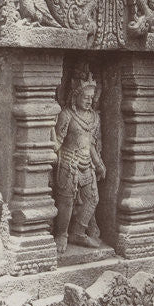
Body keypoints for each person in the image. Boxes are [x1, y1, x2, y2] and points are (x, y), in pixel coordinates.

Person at [52, 65, 106, 252]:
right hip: (69, 162)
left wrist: (98, 163)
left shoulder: (94, 118)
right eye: (85, 97)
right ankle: (61, 234)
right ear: (76, 96)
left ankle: (78, 232)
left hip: (87, 164)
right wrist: (51, 149)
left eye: (91, 98)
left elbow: (91, 143)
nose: (89, 101)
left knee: (93, 199)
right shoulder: (67, 115)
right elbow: (59, 139)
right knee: (66, 201)